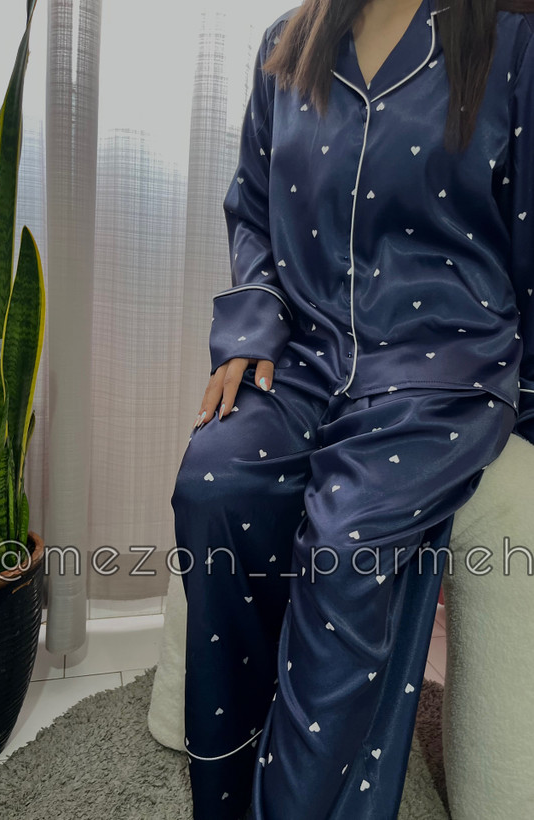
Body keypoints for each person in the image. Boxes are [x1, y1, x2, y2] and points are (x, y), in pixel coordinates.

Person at [171, 0, 534, 817]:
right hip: (305, 350)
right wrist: (248, 330)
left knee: (345, 547)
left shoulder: (508, 48)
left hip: (442, 363)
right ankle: (227, 786)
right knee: (213, 486)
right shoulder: (287, 44)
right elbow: (253, 207)